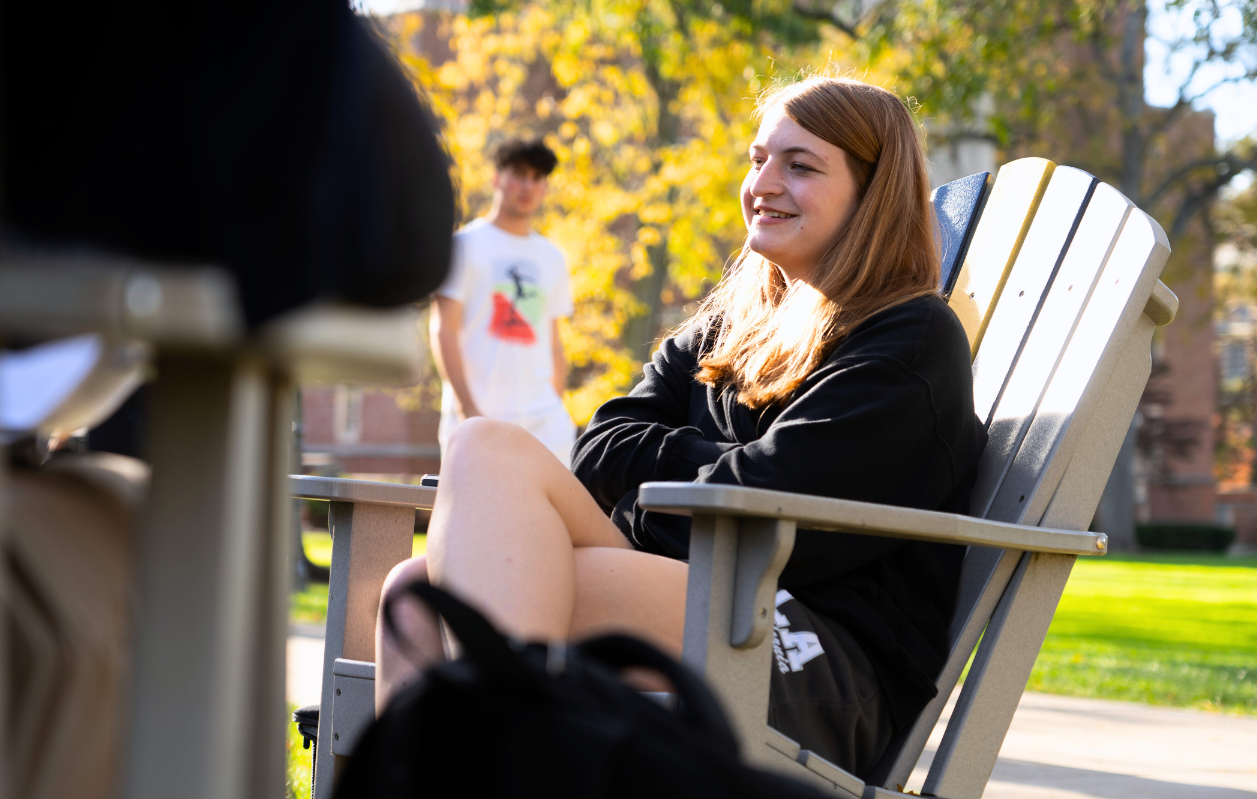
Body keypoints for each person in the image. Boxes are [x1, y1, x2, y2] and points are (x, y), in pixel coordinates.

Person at [377, 75, 988, 778]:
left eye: (801, 165)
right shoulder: (729, 328)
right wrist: (716, 460)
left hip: (812, 656)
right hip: (702, 592)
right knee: (424, 563)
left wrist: (668, 469)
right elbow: (602, 443)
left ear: (871, 193)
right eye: (758, 158)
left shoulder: (909, 340)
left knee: (472, 573)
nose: (763, 182)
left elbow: (769, 508)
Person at [431, 139, 578, 466]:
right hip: (478, 415)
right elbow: (444, 330)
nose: (528, 185)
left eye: (537, 177)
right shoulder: (463, 246)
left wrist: (555, 403)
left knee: (548, 516)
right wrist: (467, 410)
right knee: (475, 515)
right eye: (519, 174)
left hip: (544, 421)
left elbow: (554, 343)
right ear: (497, 178)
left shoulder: (552, 258)